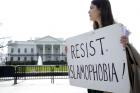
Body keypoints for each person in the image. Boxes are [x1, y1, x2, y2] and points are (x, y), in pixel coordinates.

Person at [88, 0, 129, 93]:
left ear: (100, 9)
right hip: (96, 82)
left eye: (91, 8)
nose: (88, 11)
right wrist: (70, 51)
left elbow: (128, 49)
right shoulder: (94, 32)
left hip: (112, 82)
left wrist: (126, 42)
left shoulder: (119, 27)